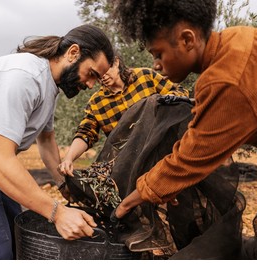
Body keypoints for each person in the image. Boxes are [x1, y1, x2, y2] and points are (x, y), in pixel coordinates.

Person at [0, 24, 115, 259]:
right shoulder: (24, 76)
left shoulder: (49, 85)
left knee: (16, 234)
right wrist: (57, 213)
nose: (90, 85)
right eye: (92, 74)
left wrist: (64, 186)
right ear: (73, 53)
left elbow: (46, 143)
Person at [110, 0, 257, 219]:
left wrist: (128, 203)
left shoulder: (225, 81)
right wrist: (168, 184)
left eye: (158, 54)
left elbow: (191, 158)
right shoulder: (237, 37)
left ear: (187, 39)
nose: (155, 65)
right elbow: (199, 130)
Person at [58, 54, 189, 177]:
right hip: (132, 168)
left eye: (105, 69)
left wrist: (158, 103)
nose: (102, 76)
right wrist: (68, 158)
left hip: (166, 153)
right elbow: (86, 133)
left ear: (116, 62)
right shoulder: (96, 102)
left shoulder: (145, 76)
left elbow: (180, 91)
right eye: (97, 74)